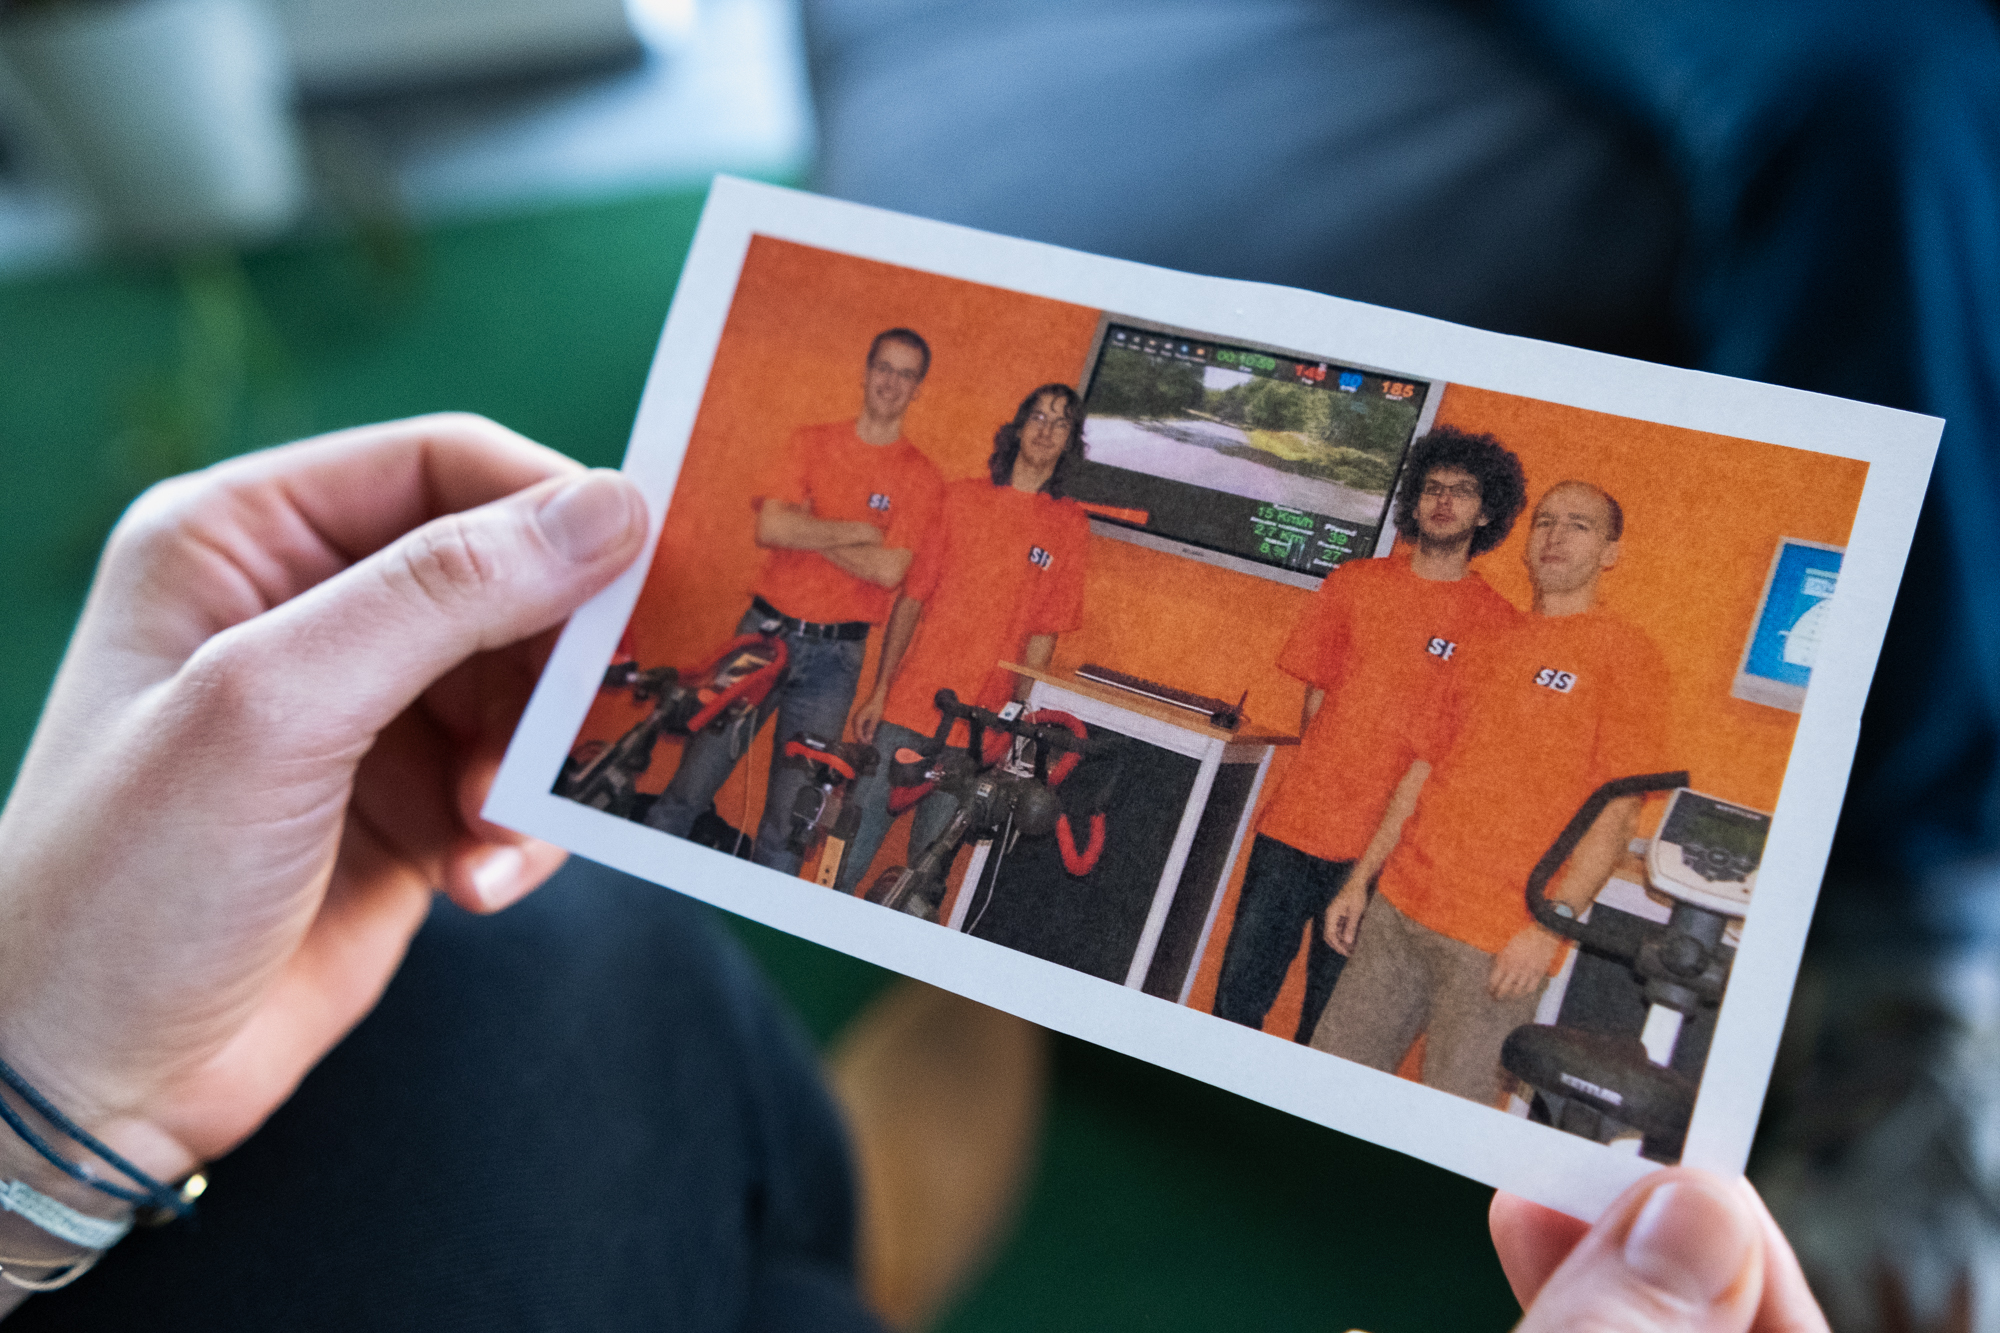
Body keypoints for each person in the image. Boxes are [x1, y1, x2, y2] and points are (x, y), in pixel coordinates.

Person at [0, 416, 1831, 1333]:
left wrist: (50, 1128)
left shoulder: (1541, 639)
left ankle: (828, 1230)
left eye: (1540, 516)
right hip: (1313, 836)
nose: (1494, 525)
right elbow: (1344, 711)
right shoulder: (1361, 592)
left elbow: (1587, 782)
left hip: (1457, 898)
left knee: (580, 943)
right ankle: (835, 1234)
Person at [1311, 481, 1670, 1106]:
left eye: (1579, 525)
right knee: (1324, 1091)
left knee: (1450, 1124)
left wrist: (1548, 928)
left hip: (1499, 941)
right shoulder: (1489, 640)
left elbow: (1618, 816)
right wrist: (1361, 879)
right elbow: (1423, 770)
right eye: (1545, 521)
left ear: (1610, 552)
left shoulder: (1627, 657)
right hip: (1400, 909)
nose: (1556, 536)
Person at [1211, 427, 1526, 1042]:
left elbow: (1461, 756)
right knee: (1236, 1003)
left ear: (1487, 511)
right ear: (1414, 500)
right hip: (1295, 827)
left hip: (1387, 855)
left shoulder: (1499, 627)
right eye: (1432, 488)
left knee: (1329, 1031)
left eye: (1462, 491)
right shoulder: (1354, 583)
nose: (1443, 501)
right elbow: (1317, 697)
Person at [643, 329, 945, 874]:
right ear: (865, 372)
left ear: (918, 388)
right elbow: (769, 528)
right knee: (690, 784)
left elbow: (890, 570)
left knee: (791, 824)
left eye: (906, 374)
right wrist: (859, 531)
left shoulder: (920, 477)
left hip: (836, 662)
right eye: (884, 367)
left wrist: (807, 526)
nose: (891, 382)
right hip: (762, 636)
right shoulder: (811, 442)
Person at [832, 384, 1090, 901]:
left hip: (979, 734)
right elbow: (911, 600)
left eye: (1060, 423)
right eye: (1038, 417)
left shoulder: (1069, 526)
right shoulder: (958, 499)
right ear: (1018, 427)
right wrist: (880, 692)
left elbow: (1043, 634)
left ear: (1070, 442)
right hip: (909, 709)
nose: (1046, 430)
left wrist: (1017, 727)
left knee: (923, 887)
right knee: (845, 859)